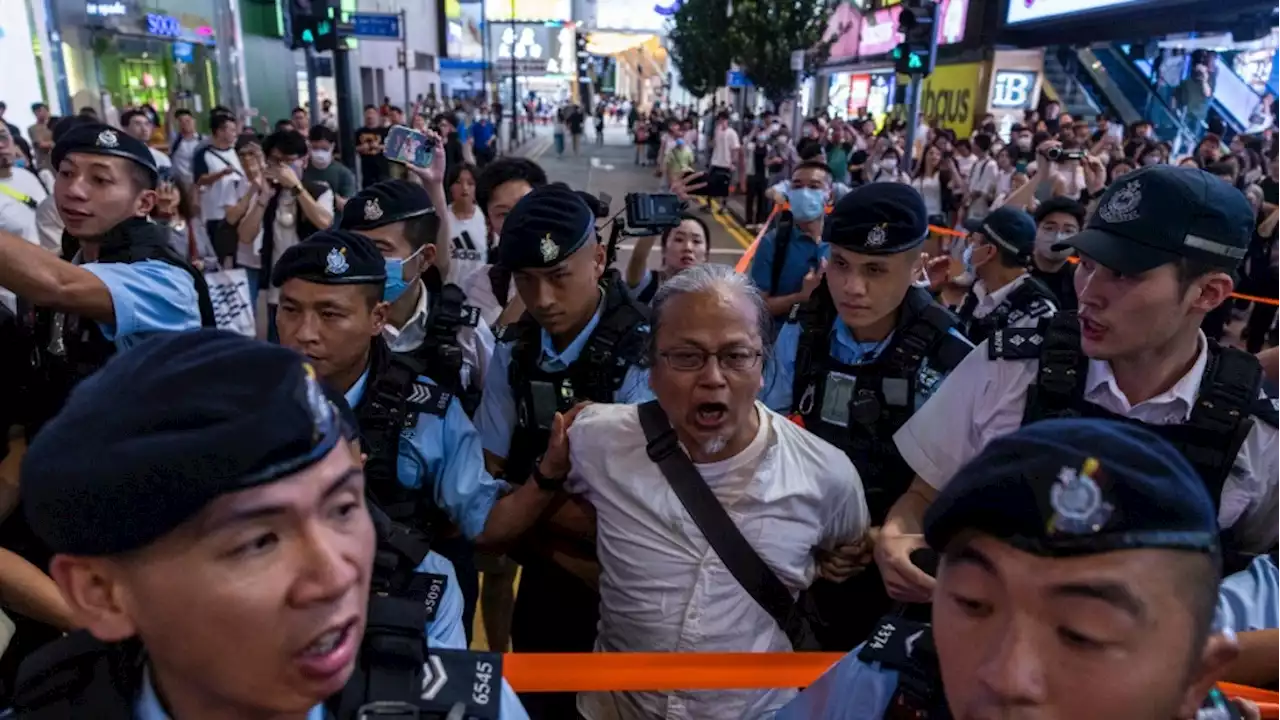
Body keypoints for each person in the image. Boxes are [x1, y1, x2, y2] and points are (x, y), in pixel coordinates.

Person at [9, 329, 528, 719]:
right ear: (102, 593)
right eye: (258, 541)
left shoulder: (465, 709)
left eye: (343, 509)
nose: (337, 575)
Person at [877, 164, 1280, 610]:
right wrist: (899, 541)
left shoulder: (1254, 435)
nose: (1088, 292)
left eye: (1124, 275)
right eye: (1087, 264)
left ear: (1208, 294)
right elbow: (923, 495)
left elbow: (1258, 571)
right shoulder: (1008, 367)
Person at [560, 263, 870, 718]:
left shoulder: (826, 475)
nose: (713, 378)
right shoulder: (595, 440)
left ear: (763, 365)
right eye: (686, 356)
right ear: (651, 368)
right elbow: (525, 516)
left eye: (736, 356)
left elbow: (849, 549)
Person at [778, 419, 1243, 720]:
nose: (1006, 676)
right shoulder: (878, 688)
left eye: (1082, 633)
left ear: (1196, 677)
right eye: (973, 604)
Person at [759, 183, 972, 649]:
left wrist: (880, 538)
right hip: (802, 550)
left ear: (917, 266)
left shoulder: (953, 360)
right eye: (840, 265)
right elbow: (763, 436)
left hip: (902, 571)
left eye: (875, 269)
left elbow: (961, 487)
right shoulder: (804, 332)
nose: (853, 287)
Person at [474, 184, 654, 718]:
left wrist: (527, 512)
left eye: (558, 277)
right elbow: (486, 481)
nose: (543, 299)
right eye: (526, 281)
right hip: (549, 589)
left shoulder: (646, 354)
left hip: (637, 601)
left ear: (598, 259)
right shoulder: (515, 350)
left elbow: (639, 520)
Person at [231, 129, 334, 343]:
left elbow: (324, 222)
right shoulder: (268, 193)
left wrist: (295, 187)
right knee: (278, 347)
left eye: (289, 161)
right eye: (276, 161)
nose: (282, 168)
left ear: (304, 161)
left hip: (313, 284)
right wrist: (263, 198)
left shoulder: (318, 190)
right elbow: (245, 235)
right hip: (277, 290)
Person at [460, 158, 547, 327]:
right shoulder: (482, 284)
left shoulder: (575, 266)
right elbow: (489, 347)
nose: (518, 220)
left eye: (525, 206)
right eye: (503, 214)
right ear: (489, 222)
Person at [954, 205, 1058, 346]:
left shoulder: (1037, 316)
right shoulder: (978, 289)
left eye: (975, 241)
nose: (970, 247)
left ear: (989, 251)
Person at [749, 161, 833, 320]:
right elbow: (758, 309)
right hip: (782, 341)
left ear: (829, 196)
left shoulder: (842, 244)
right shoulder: (773, 243)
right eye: (797, 186)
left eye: (814, 187)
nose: (805, 193)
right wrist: (801, 297)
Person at [625, 213, 711, 305]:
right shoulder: (648, 284)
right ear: (664, 249)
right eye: (679, 239)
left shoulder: (714, 295)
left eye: (696, 241)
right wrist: (656, 222)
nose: (688, 247)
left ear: (705, 254)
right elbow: (637, 258)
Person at [193, 113, 244, 263]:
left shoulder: (238, 151)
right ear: (220, 132)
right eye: (231, 130)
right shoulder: (203, 154)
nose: (235, 134)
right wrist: (221, 173)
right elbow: (200, 180)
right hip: (215, 213)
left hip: (238, 209)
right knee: (220, 254)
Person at [1027, 196, 1086, 312]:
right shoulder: (1016, 268)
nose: (1058, 237)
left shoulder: (1082, 277)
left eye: (1068, 231)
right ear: (1036, 229)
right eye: (1049, 228)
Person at [442, 162, 489, 288]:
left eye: (470, 183)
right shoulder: (442, 218)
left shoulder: (486, 219)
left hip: (478, 293)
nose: (464, 188)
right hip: (447, 292)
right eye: (458, 182)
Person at [304, 124, 357, 215]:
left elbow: (348, 208)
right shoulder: (302, 169)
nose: (320, 153)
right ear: (309, 146)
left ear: (332, 146)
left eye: (324, 149)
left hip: (334, 225)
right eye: (315, 148)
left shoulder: (344, 173)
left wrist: (328, 193)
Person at [708, 111, 741, 212]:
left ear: (727, 120)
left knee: (725, 186)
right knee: (710, 184)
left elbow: (735, 149)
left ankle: (723, 206)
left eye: (723, 120)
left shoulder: (732, 133)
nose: (721, 122)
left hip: (726, 163)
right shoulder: (717, 131)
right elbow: (713, 144)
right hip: (715, 161)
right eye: (720, 120)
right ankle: (709, 205)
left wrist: (733, 162)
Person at [120, 109, 171, 173]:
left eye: (147, 124)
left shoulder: (161, 158)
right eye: (138, 124)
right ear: (125, 128)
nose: (144, 128)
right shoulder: (119, 158)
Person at [168, 109, 204, 188]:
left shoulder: (203, 141)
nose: (185, 124)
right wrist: (171, 106)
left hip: (198, 183)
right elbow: (168, 124)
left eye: (188, 121)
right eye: (181, 121)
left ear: (194, 122)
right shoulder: (175, 140)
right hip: (179, 183)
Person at [355, 105, 389, 188]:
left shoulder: (384, 131)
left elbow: (390, 148)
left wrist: (378, 146)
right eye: (367, 113)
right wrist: (361, 148)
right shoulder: (359, 132)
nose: (370, 116)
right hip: (366, 169)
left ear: (377, 115)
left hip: (382, 168)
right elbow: (353, 148)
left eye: (372, 113)